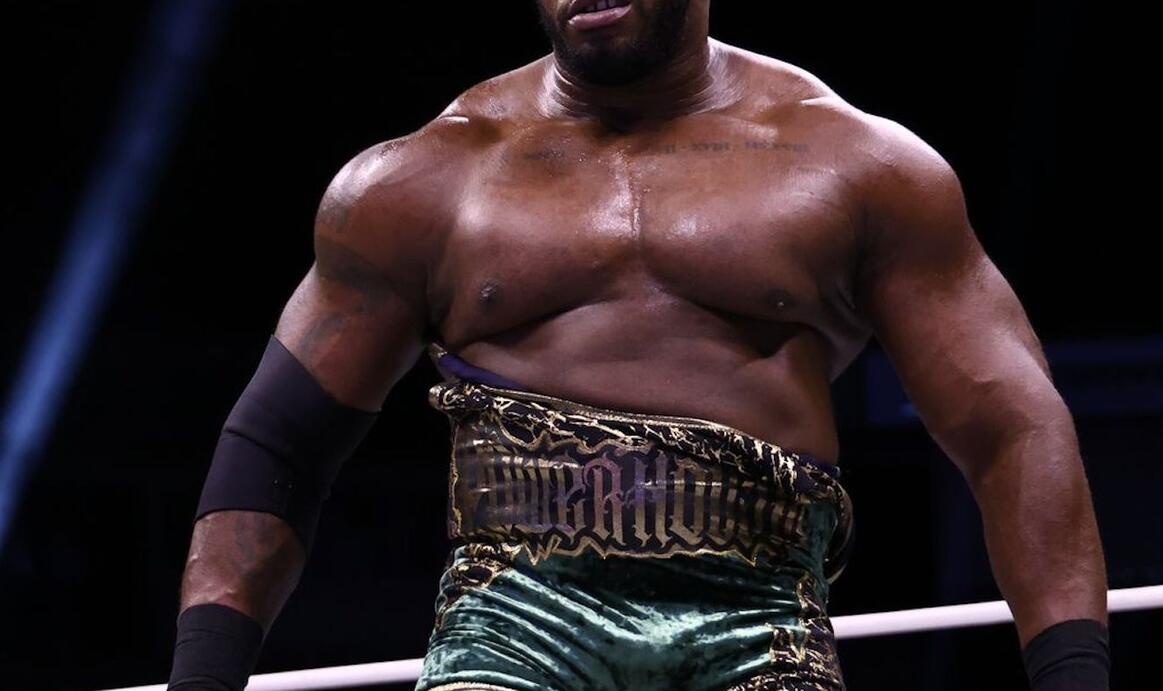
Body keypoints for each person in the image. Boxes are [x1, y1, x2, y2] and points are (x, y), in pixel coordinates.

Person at [168, 1, 1110, 689]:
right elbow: (278, 445)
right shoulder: (422, 180)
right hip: (508, 636)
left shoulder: (858, 165)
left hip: (758, 635)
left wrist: (1073, 676)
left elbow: (1012, 430)